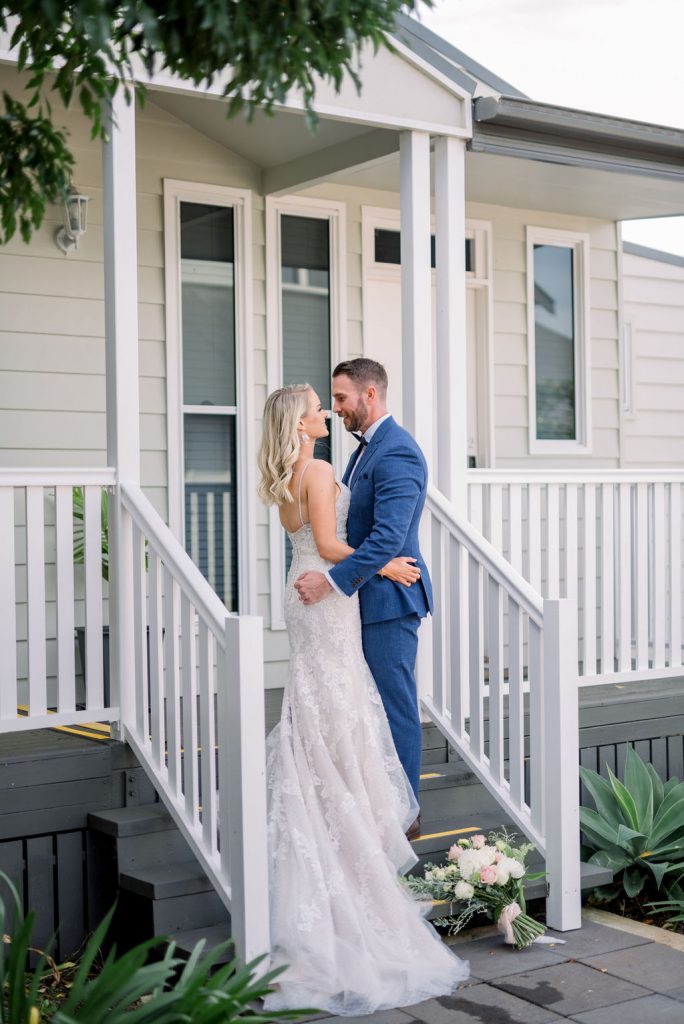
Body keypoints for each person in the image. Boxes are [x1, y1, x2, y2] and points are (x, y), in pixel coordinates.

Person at [257, 383, 468, 1016]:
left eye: (335, 400)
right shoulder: (320, 467)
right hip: (328, 599)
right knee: (343, 703)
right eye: (320, 406)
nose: (327, 411)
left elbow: (309, 544)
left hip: (306, 601)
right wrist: (386, 566)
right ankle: (356, 813)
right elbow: (328, 547)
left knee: (319, 704)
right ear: (301, 422)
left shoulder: (285, 476)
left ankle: (337, 803)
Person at [295, 359, 430, 837]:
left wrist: (330, 581)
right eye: (330, 400)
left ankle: (407, 815)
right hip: (358, 601)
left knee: (395, 707)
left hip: (389, 602)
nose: (335, 409)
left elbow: (387, 539)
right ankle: (375, 802)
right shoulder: (360, 452)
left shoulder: (398, 453)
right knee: (363, 706)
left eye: (341, 398)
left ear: (369, 394)